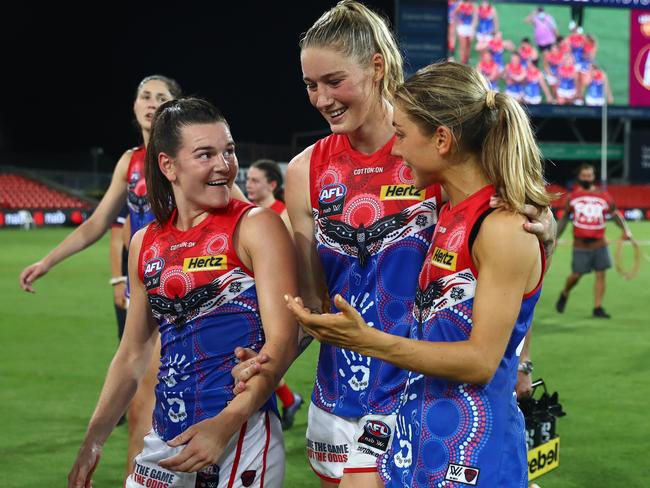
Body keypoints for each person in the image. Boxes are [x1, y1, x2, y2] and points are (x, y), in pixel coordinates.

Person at [232, 3, 556, 487]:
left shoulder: (438, 157)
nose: (321, 98)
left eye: (334, 81)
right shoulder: (305, 172)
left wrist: (524, 357)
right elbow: (315, 305)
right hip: (341, 398)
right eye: (310, 84)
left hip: (426, 395)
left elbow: (497, 275)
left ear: (377, 67)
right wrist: (266, 361)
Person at [67, 97, 298, 488]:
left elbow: (284, 339)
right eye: (205, 154)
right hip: (166, 438)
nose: (224, 166)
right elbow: (133, 353)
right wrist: (93, 439)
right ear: (167, 165)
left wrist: (225, 424)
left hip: (242, 434)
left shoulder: (257, 226)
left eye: (229, 151)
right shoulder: (144, 242)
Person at [20, 74, 183, 477]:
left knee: (162, 406)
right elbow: (97, 224)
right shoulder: (129, 163)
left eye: (160, 97)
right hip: (142, 299)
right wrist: (48, 261)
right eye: (144, 95)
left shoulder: (184, 154)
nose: (150, 102)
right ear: (133, 106)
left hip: (181, 293)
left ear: (174, 107)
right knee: (142, 408)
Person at [245, 159, 304, 430]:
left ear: (273, 185)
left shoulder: (283, 214)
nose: (249, 184)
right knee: (257, 357)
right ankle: (288, 400)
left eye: (256, 180)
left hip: (278, 300)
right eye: (248, 180)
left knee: (262, 357)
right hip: (254, 297)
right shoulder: (248, 215)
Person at [555, 163, 632, 318]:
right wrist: (555, 237)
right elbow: (564, 220)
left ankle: (597, 307)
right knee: (576, 275)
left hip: (600, 243)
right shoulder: (572, 197)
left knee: (601, 274)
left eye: (589, 175)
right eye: (584, 176)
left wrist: (626, 229)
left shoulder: (604, 196)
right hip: (581, 244)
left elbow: (615, 215)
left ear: (593, 177)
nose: (586, 178)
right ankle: (565, 292)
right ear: (579, 177)